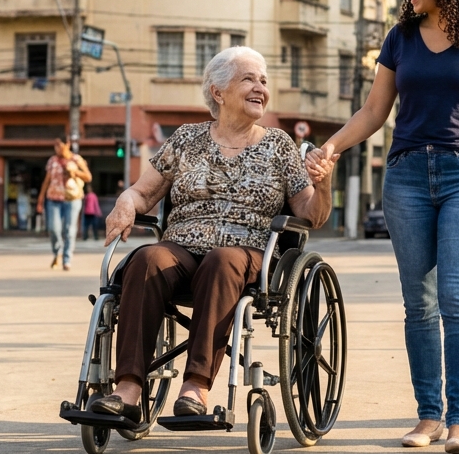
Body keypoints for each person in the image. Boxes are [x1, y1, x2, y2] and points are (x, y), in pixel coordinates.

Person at [308, 0, 459, 454]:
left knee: (457, 298)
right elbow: (374, 112)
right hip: (405, 176)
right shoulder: (399, 37)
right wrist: (329, 148)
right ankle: (428, 414)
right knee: (419, 303)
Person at [92, 46, 334, 423]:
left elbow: (311, 215)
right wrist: (125, 202)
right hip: (182, 249)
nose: (260, 88)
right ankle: (128, 388)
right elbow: (143, 192)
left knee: (222, 261)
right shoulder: (187, 138)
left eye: (264, 81)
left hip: (247, 253)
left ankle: (196, 387)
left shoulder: (278, 145)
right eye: (248, 79)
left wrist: (324, 185)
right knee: (146, 258)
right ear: (218, 92)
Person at [38, 137, 92, 270]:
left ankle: (67, 259)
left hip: (72, 199)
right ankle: (58, 253)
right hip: (53, 199)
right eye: (55, 145)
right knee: (53, 228)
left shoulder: (76, 159)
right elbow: (47, 180)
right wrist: (40, 199)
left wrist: (74, 172)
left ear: (67, 144)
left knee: (69, 230)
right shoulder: (52, 160)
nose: (56, 147)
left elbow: (88, 177)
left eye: (59, 144)